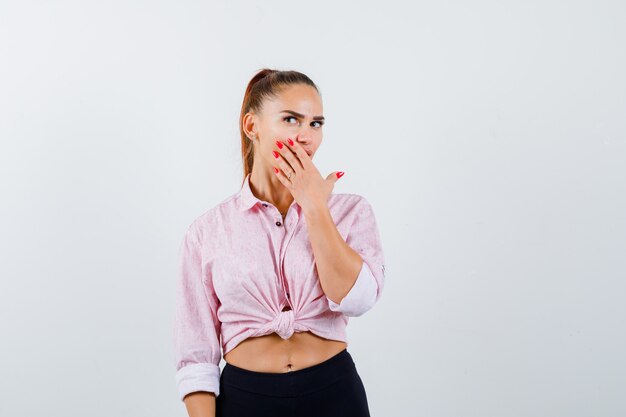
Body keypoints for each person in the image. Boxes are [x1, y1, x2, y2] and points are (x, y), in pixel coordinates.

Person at [173, 69, 386, 417]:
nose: (306, 136)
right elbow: (196, 353)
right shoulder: (207, 232)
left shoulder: (350, 211)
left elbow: (357, 300)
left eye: (316, 124)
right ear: (252, 126)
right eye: (291, 120)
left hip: (334, 394)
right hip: (245, 399)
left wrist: (316, 207)